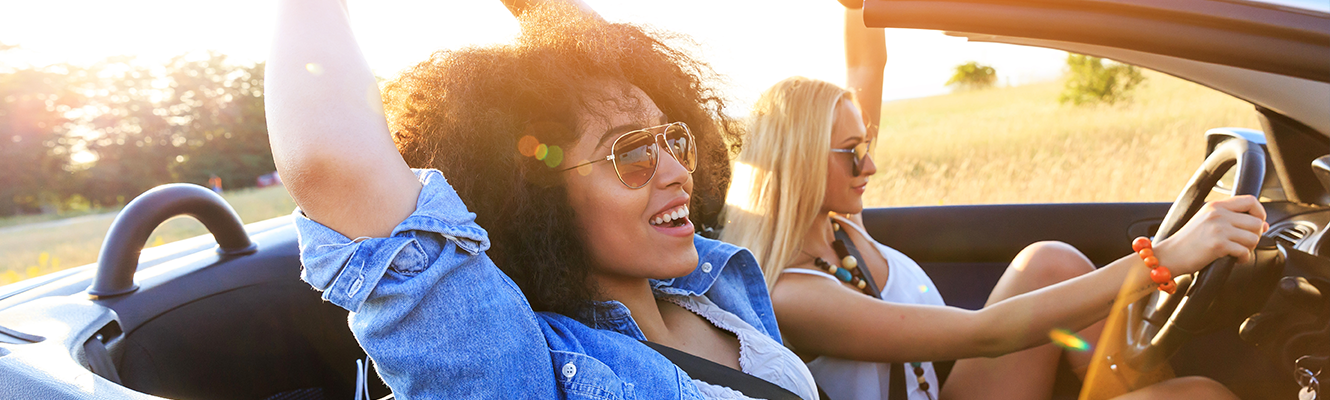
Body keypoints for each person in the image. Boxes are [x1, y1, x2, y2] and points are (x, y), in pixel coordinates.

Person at [265, 0, 818, 398]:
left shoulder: (704, 282)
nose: (677, 171)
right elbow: (329, 164)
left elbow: (600, 47)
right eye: (631, 154)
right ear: (536, 200)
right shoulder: (527, 366)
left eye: (671, 138)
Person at [720, 77, 1260, 400]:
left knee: (1050, 261)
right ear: (800, 162)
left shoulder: (840, 229)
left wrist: (864, 15)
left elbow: (863, 73)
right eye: (853, 152)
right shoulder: (795, 295)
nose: (871, 165)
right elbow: (986, 335)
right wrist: (1165, 257)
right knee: (1203, 395)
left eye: (869, 143)